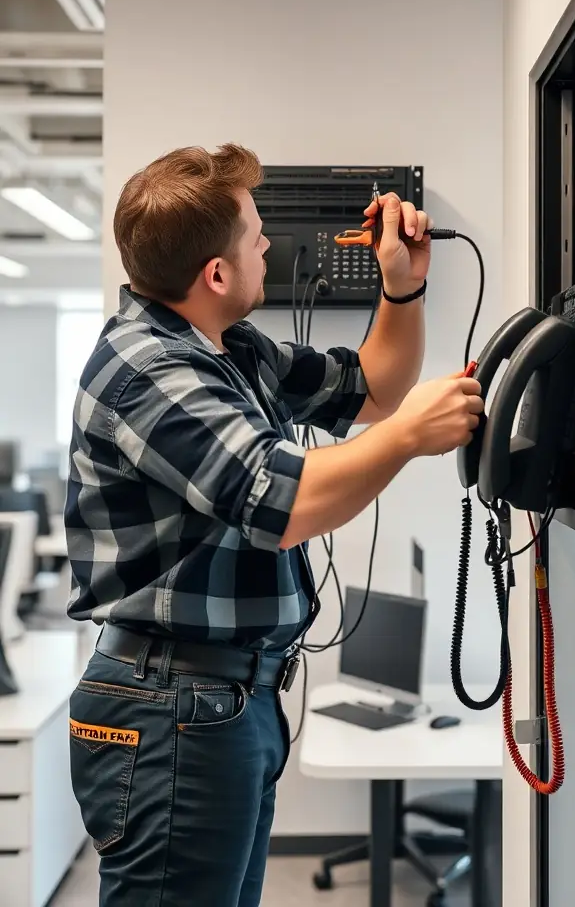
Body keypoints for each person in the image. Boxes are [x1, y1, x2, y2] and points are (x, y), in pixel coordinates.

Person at [66, 143, 483, 906]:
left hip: (222, 701)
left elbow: (375, 390)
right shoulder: (145, 370)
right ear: (216, 275)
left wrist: (403, 287)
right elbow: (280, 503)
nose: (268, 246)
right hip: (169, 710)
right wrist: (411, 439)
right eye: (257, 235)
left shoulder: (229, 350)